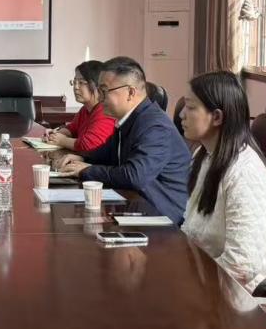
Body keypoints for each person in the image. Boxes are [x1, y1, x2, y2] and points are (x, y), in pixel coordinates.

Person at [179, 70, 266, 290]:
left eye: (191, 107)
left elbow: (242, 266)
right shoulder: (205, 155)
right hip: (212, 279)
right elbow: (193, 229)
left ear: (217, 117)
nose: (182, 114)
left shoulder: (244, 173)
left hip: (253, 296)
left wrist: (190, 286)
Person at [58, 56, 191, 224]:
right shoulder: (131, 118)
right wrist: (83, 158)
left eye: (104, 91)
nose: (100, 97)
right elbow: (109, 152)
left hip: (162, 219)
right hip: (135, 205)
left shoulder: (155, 126)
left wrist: (87, 170)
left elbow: (134, 176)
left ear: (130, 92)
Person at [44, 59, 115, 153]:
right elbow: (72, 128)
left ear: (98, 85)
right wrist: (55, 134)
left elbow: (89, 145)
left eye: (81, 83)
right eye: (74, 82)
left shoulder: (105, 111)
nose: (75, 87)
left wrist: (62, 141)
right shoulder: (85, 109)